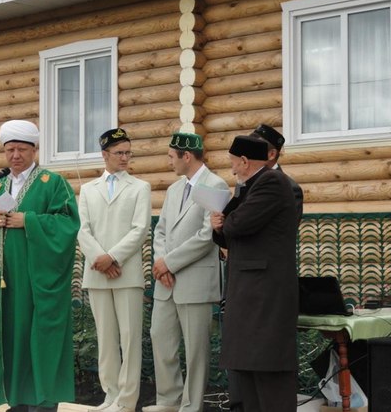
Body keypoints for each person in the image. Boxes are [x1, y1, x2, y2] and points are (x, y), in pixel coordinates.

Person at [0, 120, 80, 412]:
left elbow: (68, 224)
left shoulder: (52, 183)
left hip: (33, 280)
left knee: (34, 338)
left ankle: (40, 403)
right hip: (1, 280)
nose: (15, 155)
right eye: (10, 149)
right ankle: (13, 399)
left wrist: (28, 220)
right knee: (5, 335)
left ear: (34, 150)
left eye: (22, 149)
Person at [210, 135, 299, 412]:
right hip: (249, 290)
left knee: (267, 366)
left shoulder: (272, 182)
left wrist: (225, 223)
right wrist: (218, 226)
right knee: (248, 366)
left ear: (245, 161)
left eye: (234, 164)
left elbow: (238, 225)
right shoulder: (251, 186)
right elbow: (229, 234)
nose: (233, 170)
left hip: (265, 292)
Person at [144, 133, 228, 412]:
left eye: (171, 156)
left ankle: (191, 407)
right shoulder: (174, 190)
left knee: (196, 351)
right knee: (160, 337)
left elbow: (207, 236)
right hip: (166, 281)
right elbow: (161, 231)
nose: (169, 162)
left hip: (195, 281)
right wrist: (160, 263)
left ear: (186, 156)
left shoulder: (216, 185)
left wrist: (170, 263)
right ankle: (168, 400)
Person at [78, 128, 151, 412]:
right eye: (119, 153)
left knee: (130, 338)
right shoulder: (88, 189)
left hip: (126, 273)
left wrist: (113, 257)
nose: (124, 158)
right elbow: (82, 230)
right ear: (105, 155)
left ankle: (127, 400)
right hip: (97, 272)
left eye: (128, 152)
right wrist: (100, 258)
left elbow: (140, 228)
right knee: (106, 338)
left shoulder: (139, 187)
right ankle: (110, 395)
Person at [251, 124, 303, 219]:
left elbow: (287, 229)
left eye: (255, 150)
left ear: (271, 154)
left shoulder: (291, 189)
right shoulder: (247, 182)